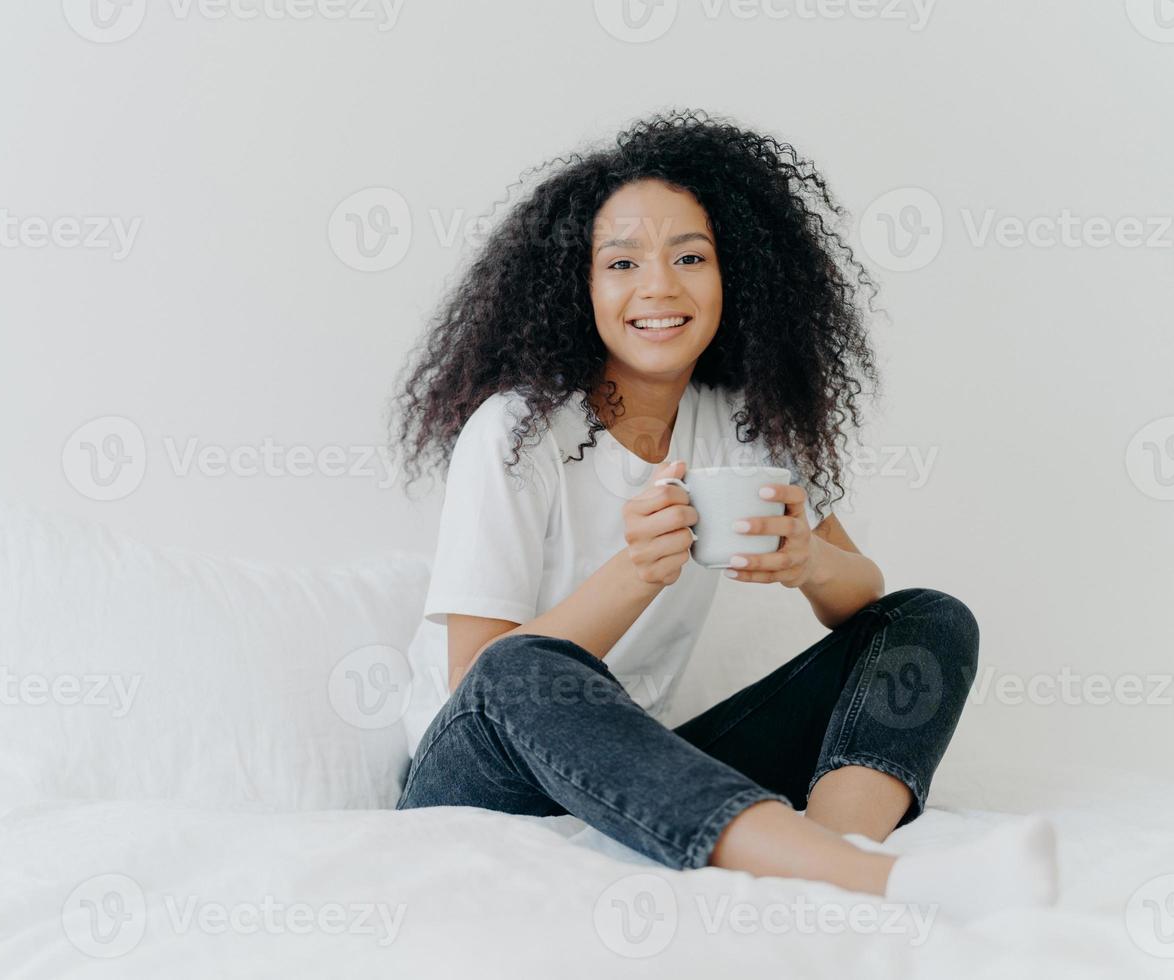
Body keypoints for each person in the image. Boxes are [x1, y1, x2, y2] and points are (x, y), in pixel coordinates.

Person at [387, 109, 1056, 921]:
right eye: (622, 262)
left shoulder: (744, 424)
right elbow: (477, 682)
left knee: (929, 619)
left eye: (690, 258)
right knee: (522, 665)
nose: (659, 287)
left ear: (734, 274)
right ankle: (864, 881)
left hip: (638, 761)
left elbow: (865, 595)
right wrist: (636, 573)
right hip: (478, 773)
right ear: (579, 286)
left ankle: (833, 849)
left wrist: (810, 562)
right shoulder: (517, 433)